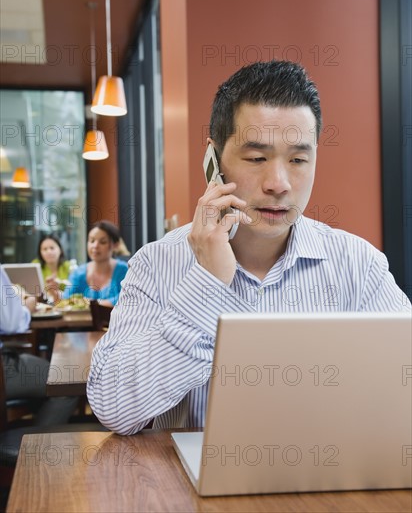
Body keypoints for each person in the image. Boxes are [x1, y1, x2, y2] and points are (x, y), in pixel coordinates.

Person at [87, 60, 411, 435]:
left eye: (299, 160)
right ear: (213, 161)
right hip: (188, 491)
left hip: (324, 482)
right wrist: (206, 283)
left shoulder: (357, 264)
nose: (278, 183)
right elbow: (114, 409)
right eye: (257, 158)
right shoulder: (158, 263)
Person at [0, 266, 77, 425]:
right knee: (67, 383)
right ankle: (37, 447)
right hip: (4, 367)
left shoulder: (69, 269)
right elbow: (10, 322)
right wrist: (28, 304)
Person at [62, 220, 128, 307]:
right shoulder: (78, 273)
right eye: (92, 241)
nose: (95, 246)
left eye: (103, 242)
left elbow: (128, 299)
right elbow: (67, 300)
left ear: (115, 245)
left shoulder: (124, 270)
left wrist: (91, 305)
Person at [32, 234, 71, 303]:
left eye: (52, 248)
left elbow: (74, 290)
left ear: (60, 250)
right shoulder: (35, 266)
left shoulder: (68, 266)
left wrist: (59, 284)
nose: (49, 252)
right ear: (40, 252)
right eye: (44, 249)